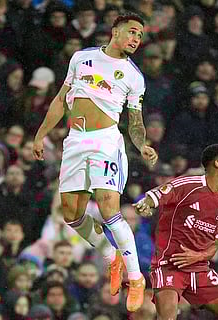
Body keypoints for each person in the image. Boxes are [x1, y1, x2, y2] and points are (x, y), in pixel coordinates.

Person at [31, 12, 158, 313]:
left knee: (108, 206)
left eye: (140, 36)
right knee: (71, 214)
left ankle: (137, 278)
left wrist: (141, 145)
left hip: (105, 141)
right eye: (131, 32)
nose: (135, 39)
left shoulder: (133, 76)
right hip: (75, 140)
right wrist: (40, 135)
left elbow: (135, 122)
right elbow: (62, 99)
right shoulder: (81, 58)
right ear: (115, 31)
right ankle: (110, 256)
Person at [134, 144, 218, 320]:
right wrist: (146, 204)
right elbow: (158, 194)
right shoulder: (189, 184)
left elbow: (215, 246)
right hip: (169, 266)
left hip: (200, 270)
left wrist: (198, 256)